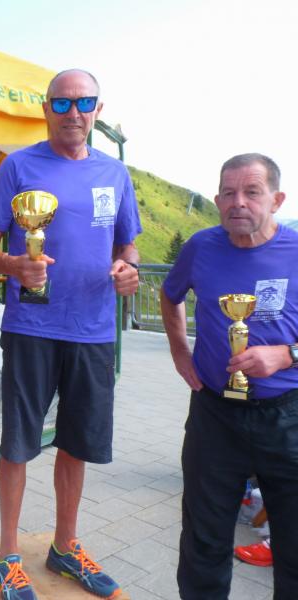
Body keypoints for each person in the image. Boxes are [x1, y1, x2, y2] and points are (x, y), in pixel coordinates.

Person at [0, 69, 141, 600]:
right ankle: (7, 555)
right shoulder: (19, 166)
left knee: (77, 443)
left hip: (93, 330)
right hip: (31, 326)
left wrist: (129, 270)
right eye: (62, 103)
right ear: (45, 108)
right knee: (18, 444)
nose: (73, 112)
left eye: (84, 102)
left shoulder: (114, 173)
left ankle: (65, 546)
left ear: (97, 110)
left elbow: (127, 245)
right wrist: (14, 267)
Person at [160, 153, 298, 599]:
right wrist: (180, 352)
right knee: (203, 541)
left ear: (276, 199)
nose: (239, 202)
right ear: (218, 200)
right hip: (215, 415)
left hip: (287, 417)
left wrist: (287, 355)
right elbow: (170, 294)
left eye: (252, 192)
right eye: (229, 193)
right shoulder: (201, 247)